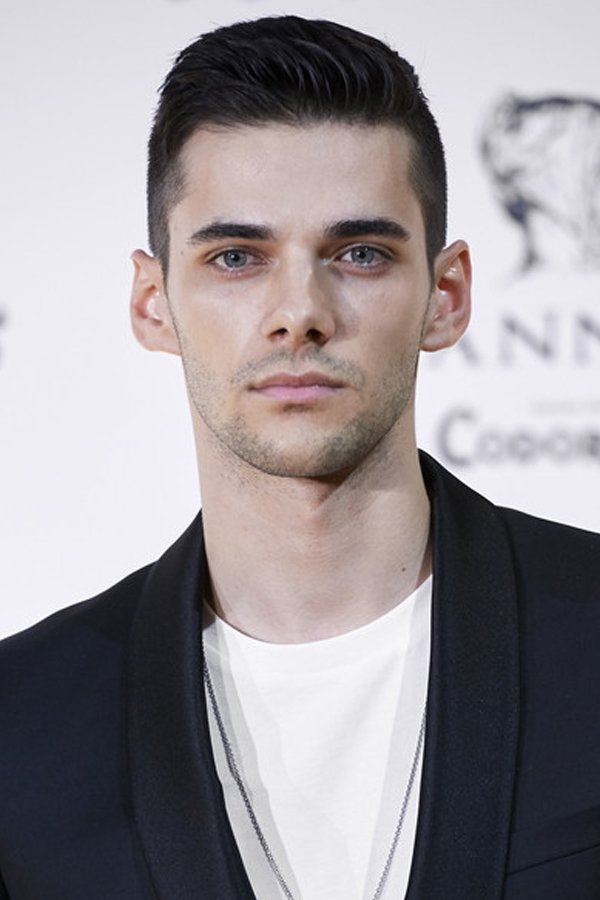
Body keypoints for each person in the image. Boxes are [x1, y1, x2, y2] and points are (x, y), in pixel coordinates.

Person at [1, 15, 599, 900]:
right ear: (153, 303)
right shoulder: (23, 723)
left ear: (446, 295)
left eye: (359, 253)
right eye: (236, 257)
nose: (299, 314)